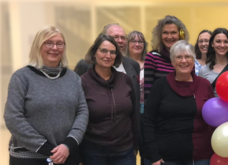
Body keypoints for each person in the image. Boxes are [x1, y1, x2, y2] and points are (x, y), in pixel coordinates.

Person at [4, 26, 88, 165]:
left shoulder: (73, 78)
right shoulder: (21, 77)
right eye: (48, 43)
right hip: (29, 157)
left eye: (59, 43)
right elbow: (13, 118)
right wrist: (46, 148)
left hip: (66, 155)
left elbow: (82, 112)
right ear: (38, 46)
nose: (54, 48)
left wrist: (68, 144)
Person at [142, 40, 215, 165]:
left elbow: (213, 118)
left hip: (201, 156)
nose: (183, 61)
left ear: (193, 60)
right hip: (167, 157)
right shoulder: (160, 85)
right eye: (179, 57)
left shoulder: (204, 85)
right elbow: (148, 121)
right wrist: (154, 156)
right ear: (172, 61)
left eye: (188, 56)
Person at [80, 34, 141, 165]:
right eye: (103, 51)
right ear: (94, 53)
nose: (108, 56)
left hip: (125, 151)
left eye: (112, 52)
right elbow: (77, 120)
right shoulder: (83, 82)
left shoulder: (125, 80)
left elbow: (133, 115)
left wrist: (136, 145)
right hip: (94, 152)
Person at [144, 15, 190, 100]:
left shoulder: (188, 58)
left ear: (181, 34)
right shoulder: (152, 58)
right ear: (160, 35)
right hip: (159, 110)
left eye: (173, 32)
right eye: (165, 33)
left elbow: (191, 87)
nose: (169, 37)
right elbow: (148, 92)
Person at [73, 23, 141, 79]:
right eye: (115, 37)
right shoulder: (85, 65)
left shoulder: (133, 65)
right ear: (104, 38)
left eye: (123, 38)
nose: (120, 41)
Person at [198, 28, 228, 95]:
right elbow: (201, 96)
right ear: (212, 44)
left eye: (226, 42)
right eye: (218, 41)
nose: (222, 45)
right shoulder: (204, 70)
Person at [125, 31, 148, 113]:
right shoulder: (122, 64)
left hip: (147, 109)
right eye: (133, 41)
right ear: (127, 44)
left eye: (140, 42)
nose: (137, 44)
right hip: (127, 109)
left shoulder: (149, 64)